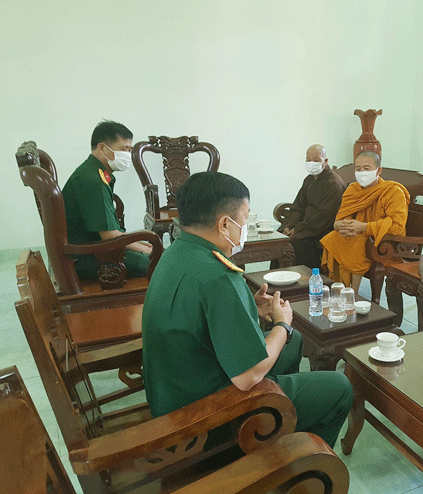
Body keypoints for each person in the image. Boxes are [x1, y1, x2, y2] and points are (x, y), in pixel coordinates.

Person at [141, 171, 353, 448]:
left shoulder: (177, 252)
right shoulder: (218, 275)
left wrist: (247, 307)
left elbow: (195, 313)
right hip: (201, 416)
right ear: (224, 224)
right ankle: (304, 464)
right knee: (338, 387)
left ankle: (275, 424)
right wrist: (282, 323)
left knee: (295, 342)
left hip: (173, 388)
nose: (245, 226)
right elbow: (247, 376)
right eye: (245, 218)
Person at [62, 120, 152, 279]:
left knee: (152, 252)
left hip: (89, 250)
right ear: (102, 147)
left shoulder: (91, 172)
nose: (127, 155)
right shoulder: (94, 181)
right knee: (158, 262)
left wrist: (140, 246)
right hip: (88, 258)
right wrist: (142, 249)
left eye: (130, 150)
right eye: (123, 149)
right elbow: (110, 236)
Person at [320, 151, 410, 294]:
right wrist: (339, 225)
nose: (362, 173)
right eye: (358, 169)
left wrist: (364, 227)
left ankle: (352, 294)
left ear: (378, 170)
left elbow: (397, 226)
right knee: (333, 237)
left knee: (358, 241)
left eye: (367, 168)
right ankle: (337, 288)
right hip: (358, 234)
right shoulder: (352, 189)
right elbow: (342, 216)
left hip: (384, 243)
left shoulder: (393, 191)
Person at [272, 144, 345, 269]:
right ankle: (274, 282)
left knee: (296, 243)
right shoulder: (309, 180)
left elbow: (325, 216)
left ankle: (305, 283)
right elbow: (298, 207)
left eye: (316, 160)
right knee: (278, 238)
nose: (312, 163)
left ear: (325, 161)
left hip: (320, 232)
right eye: (308, 160)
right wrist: (288, 226)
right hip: (305, 227)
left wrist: (298, 230)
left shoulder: (334, 184)